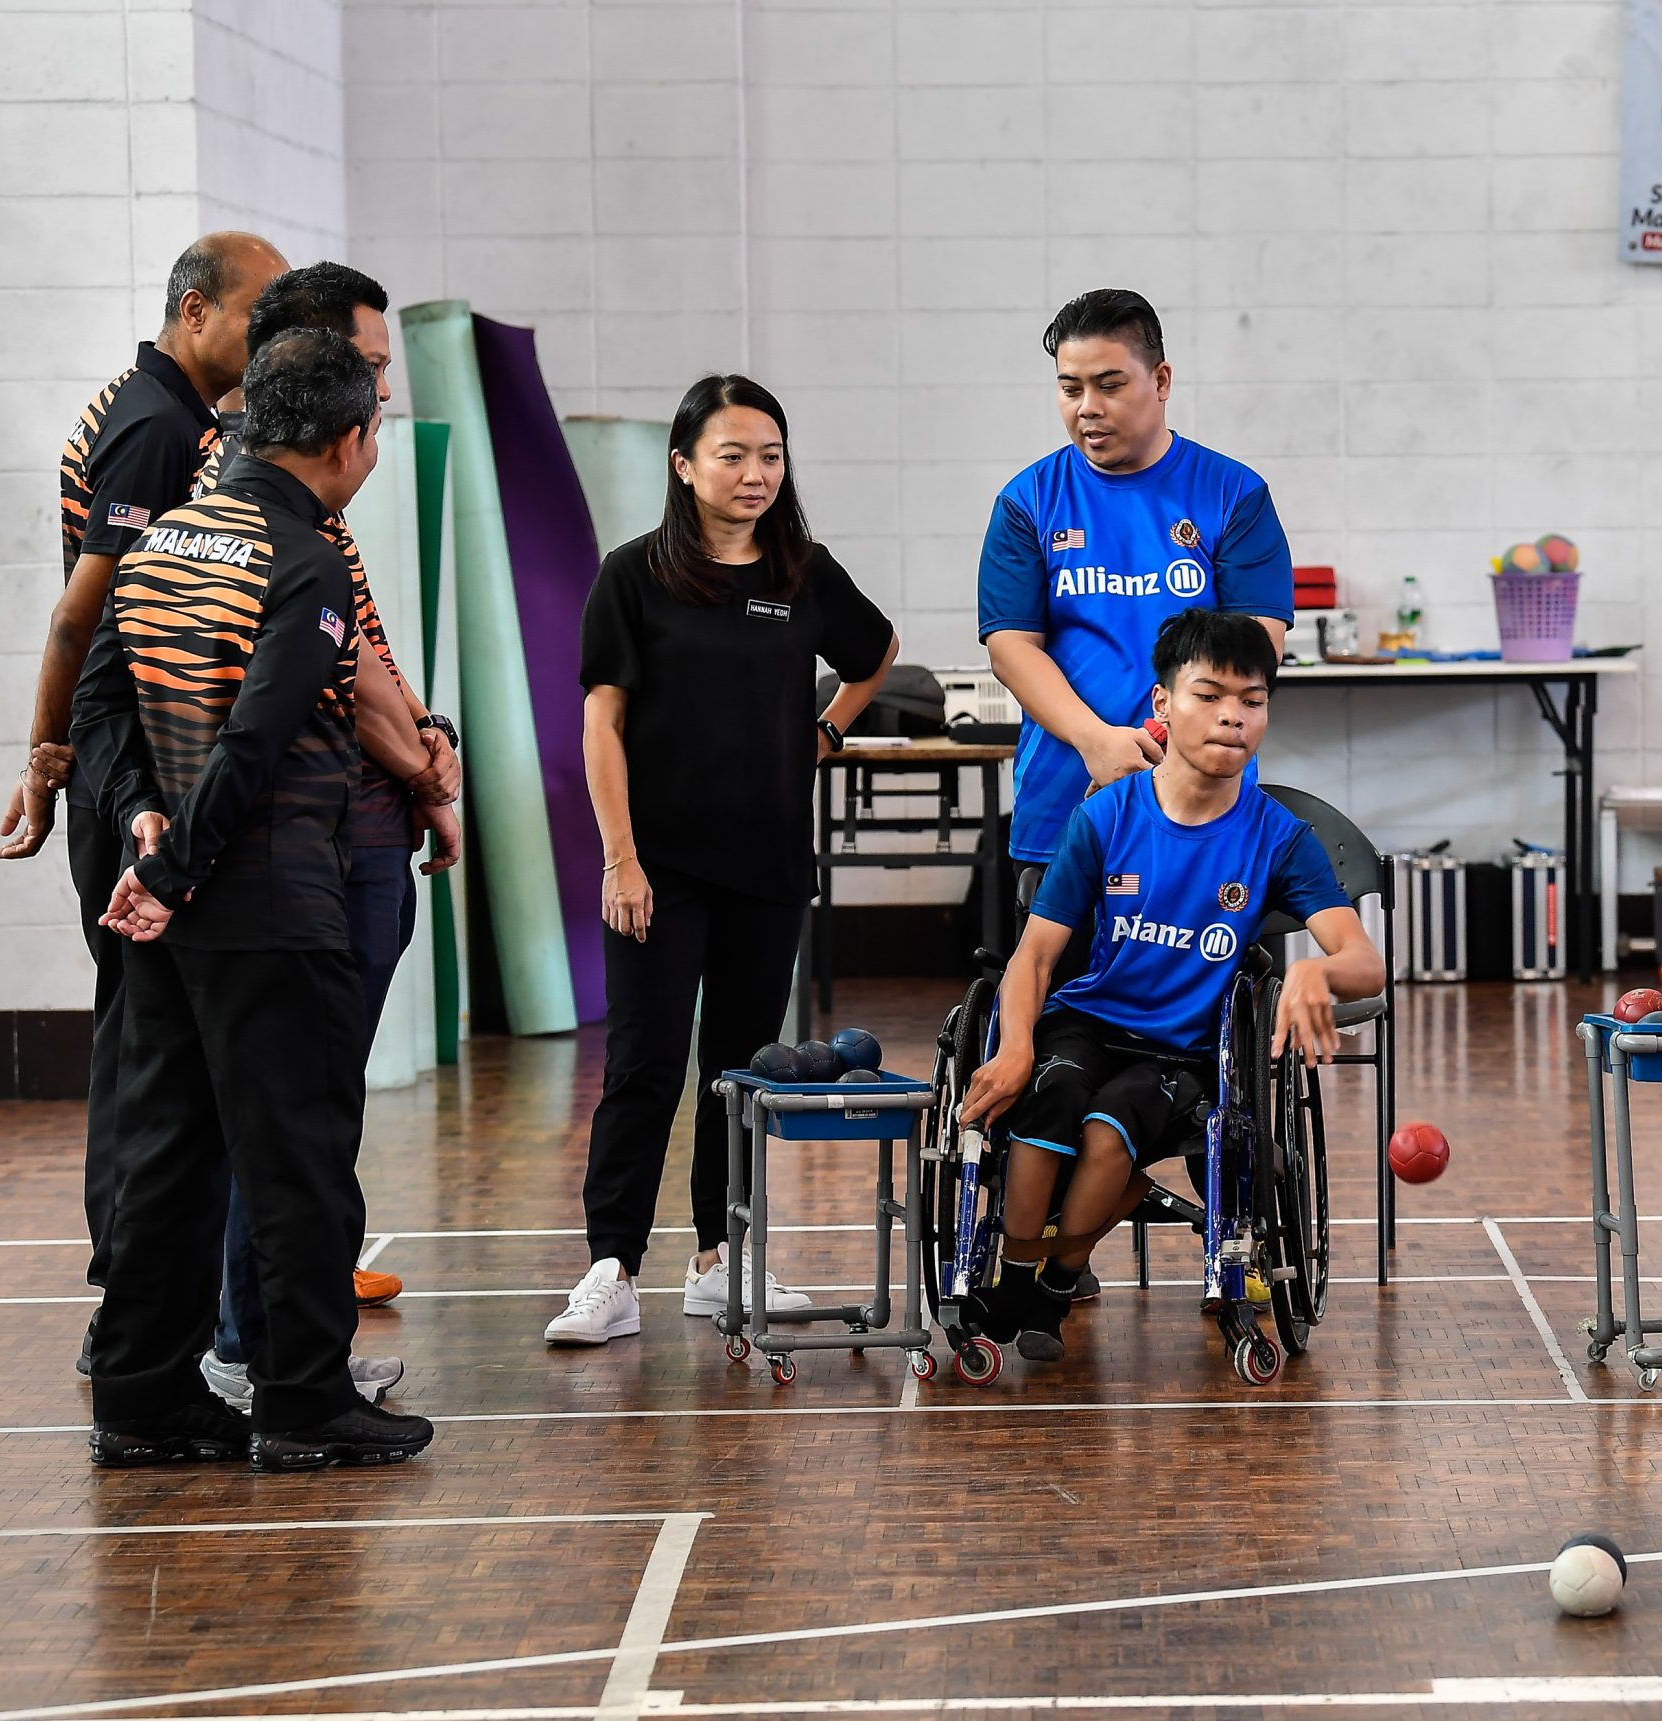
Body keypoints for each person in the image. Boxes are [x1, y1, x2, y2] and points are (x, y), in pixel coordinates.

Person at [71, 326, 433, 1469]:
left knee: (167, 1157)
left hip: (164, 907)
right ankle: (303, 1400)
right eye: (371, 427)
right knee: (298, 1159)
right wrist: (181, 867)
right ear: (345, 441)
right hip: (269, 899)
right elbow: (262, 738)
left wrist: (142, 830)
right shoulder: (308, 558)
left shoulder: (165, 538)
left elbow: (102, 710)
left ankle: (139, 1394)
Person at [546, 374, 900, 1347]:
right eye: (733, 454)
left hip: (768, 866)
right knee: (644, 1067)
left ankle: (721, 1257)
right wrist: (620, 860)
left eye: (770, 455)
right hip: (657, 866)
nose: (754, 473)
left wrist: (825, 729)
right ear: (683, 465)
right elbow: (601, 726)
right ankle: (611, 1266)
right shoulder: (632, 576)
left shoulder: (801, 572)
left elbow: (874, 650)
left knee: (740, 1073)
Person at [977, 288, 1298, 1305]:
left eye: (1108, 384)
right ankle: (1031, 1259)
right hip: (1062, 812)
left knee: (1205, 1047)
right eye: (1068, 387)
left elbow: (1257, 646)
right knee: (1054, 1047)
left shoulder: (1231, 495)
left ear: (1159, 380)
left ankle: (1232, 1242)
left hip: (1201, 825)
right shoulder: (1030, 499)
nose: (1086, 406)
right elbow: (1011, 642)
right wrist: (1095, 739)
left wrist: (1163, 746)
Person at [1, 232, 287, 1374]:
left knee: (158, 1043)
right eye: (256, 317)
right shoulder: (160, 428)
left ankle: (153, 1302)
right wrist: (48, 751)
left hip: (137, 772)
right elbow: (85, 615)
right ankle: (124, 1306)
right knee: (146, 1043)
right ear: (193, 310)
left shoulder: (168, 408)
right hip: (128, 777)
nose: (268, 341)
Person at [955, 610, 1384, 1364]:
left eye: (1252, 701)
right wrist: (1017, 1042)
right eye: (1209, 694)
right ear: (1162, 704)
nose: (1232, 715)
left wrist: (1314, 968)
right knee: (1051, 1097)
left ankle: (1051, 1288)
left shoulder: (1277, 836)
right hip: (1084, 1022)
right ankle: (1018, 1274)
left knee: (1106, 1131)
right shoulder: (1105, 815)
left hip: (1183, 1051)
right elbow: (1033, 957)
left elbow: (1364, 959)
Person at [187, 262, 465, 1415]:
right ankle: (264, 1348)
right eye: (371, 366)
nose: (383, 394)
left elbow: (372, 655)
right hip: (302, 851)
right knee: (287, 1111)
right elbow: (328, 680)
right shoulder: (258, 509)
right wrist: (423, 769)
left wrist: (429, 747)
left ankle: (284, 1334)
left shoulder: (314, 518)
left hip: (352, 832)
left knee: (310, 1110)